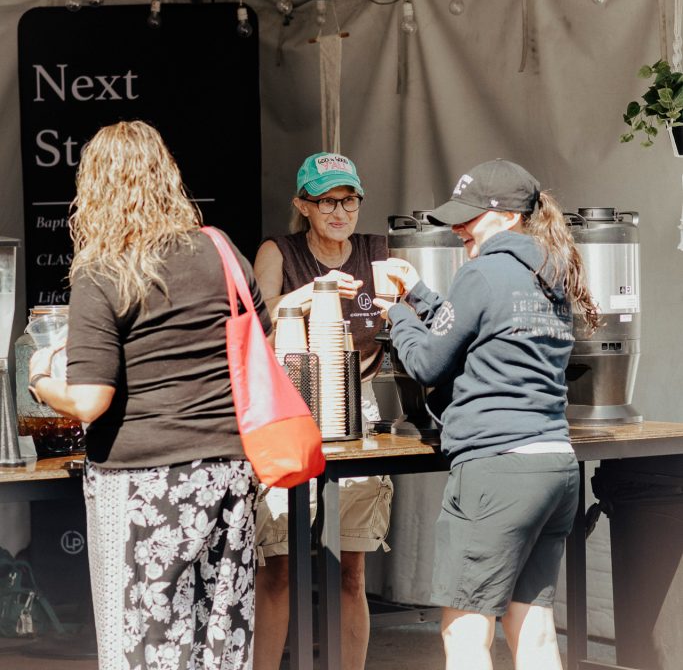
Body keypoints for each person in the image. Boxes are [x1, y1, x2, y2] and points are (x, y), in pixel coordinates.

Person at [28, 120, 270, 670]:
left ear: (93, 189)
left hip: (143, 481)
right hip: (230, 470)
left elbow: (90, 400)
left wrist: (42, 380)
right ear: (168, 176)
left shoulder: (102, 269)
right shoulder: (220, 249)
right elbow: (259, 339)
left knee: (142, 641)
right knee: (221, 640)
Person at [373, 160, 599, 670]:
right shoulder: (553, 270)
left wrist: (396, 312)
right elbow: (482, 331)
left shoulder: (481, 273)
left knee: (466, 634)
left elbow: (429, 361)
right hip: (554, 466)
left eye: (469, 217)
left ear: (508, 217)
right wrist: (420, 296)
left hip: (496, 470)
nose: (458, 229)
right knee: (535, 631)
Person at [253, 151, 393, 670]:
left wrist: (399, 307)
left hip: (360, 411)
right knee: (279, 569)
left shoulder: (380, 251)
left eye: (349, 200)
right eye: (327, 201)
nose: (340, 211)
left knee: (350, 570)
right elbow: (257, 330)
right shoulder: (281, 252)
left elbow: (422, 309)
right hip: (290, 413)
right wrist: (308, 295)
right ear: (302, 205)